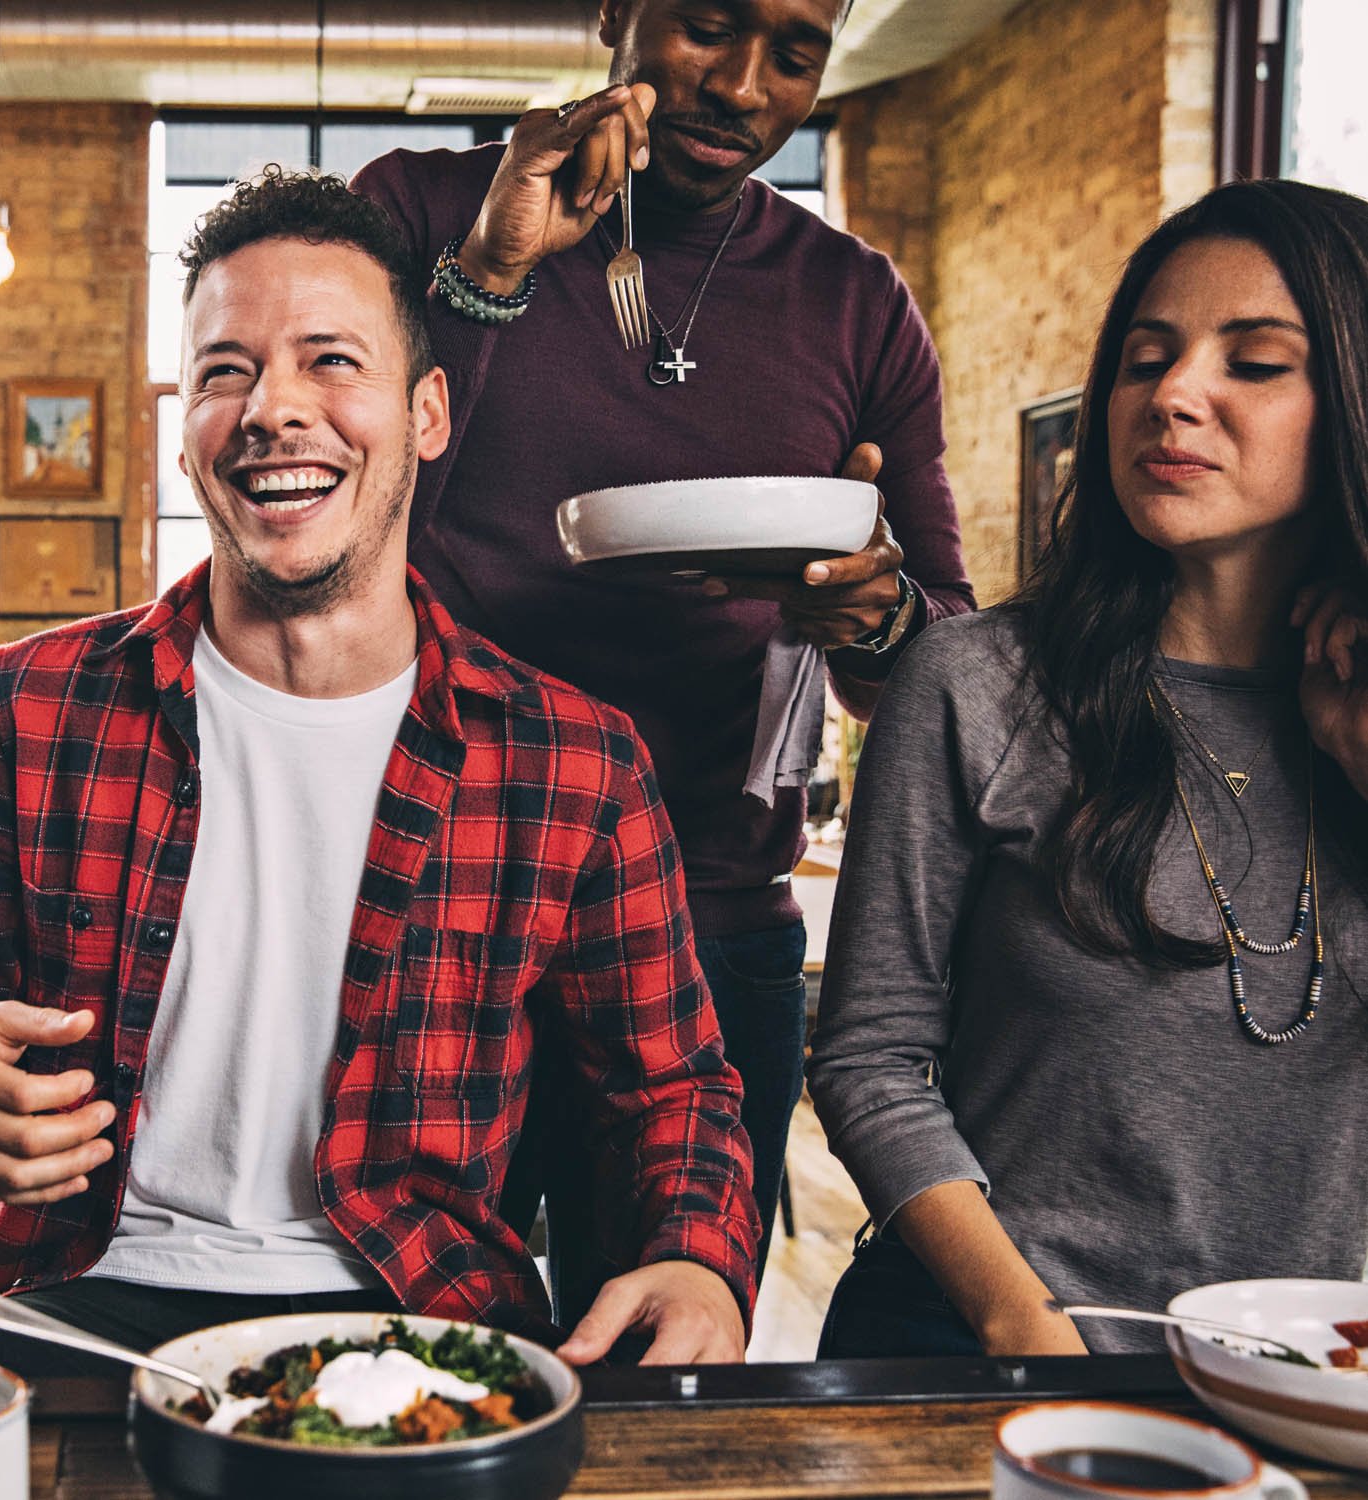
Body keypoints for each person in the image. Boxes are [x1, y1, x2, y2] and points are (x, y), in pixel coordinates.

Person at [0, 169, 758, 1375]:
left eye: (331, 360)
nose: (274, 408)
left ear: (429, 413)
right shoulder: (34, 703)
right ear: (183, 432)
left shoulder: (574, 763)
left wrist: (700, 1256)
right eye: (226, 370)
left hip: (423, 1322)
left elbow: (673, 1092)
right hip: (71, 1299)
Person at [352, 0, 974, 1257]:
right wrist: (487, 277)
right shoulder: (416, 212)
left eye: (795, 56)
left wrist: (873, 610)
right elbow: (326, 525)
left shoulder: (855, 302)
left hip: (709, 919)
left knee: (669, 1365)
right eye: (706, 25)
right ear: (615, 15)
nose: (745, 86)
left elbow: (941, 654)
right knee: (389, 1341)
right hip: (424, 893)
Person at [808, 178, 1368, 1357]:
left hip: (1302, 1383)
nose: (1174, 396)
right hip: (984, 1351)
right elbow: (869, 1057)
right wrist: (1019, 1320)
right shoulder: (972, 683)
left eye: (1254, 365)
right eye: (1144, 359)